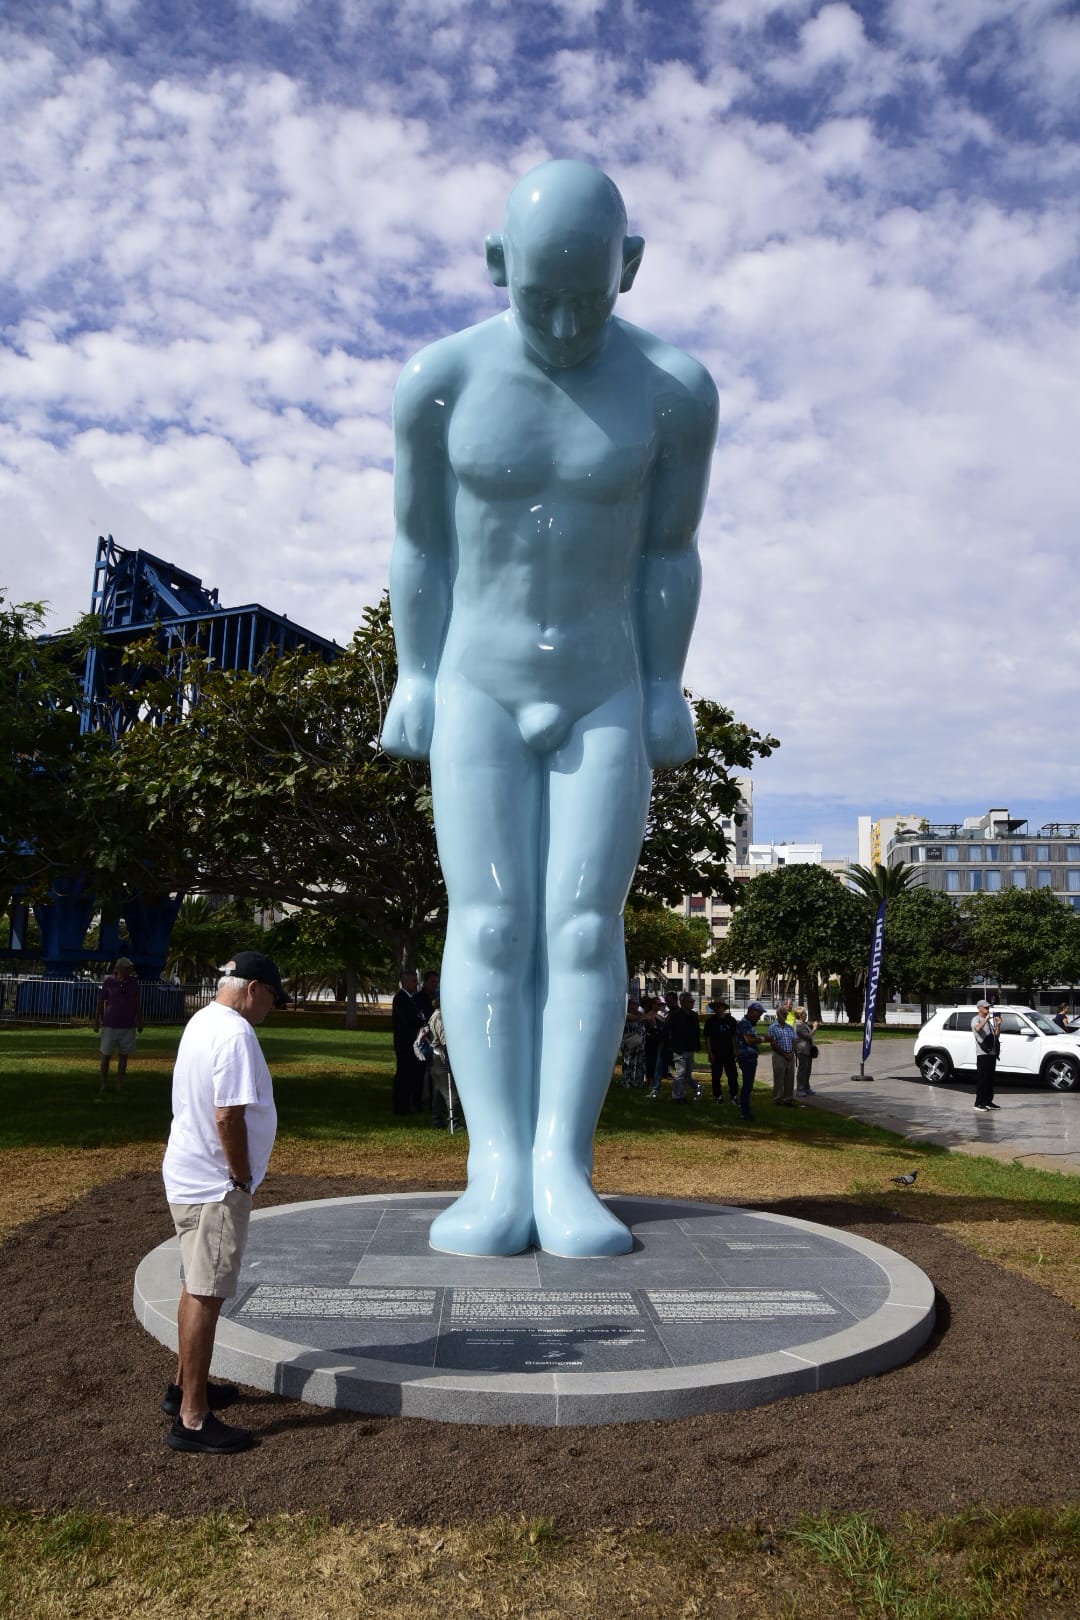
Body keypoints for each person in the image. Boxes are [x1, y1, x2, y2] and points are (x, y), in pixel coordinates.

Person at [383, 159, 718, 1256]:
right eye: (541, 296)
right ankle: (492, 1168)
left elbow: (669, 550)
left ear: (629, 266)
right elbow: (422, 543)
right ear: (497, 267)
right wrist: (417, 675)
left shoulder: (674, 390)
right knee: (488, 918)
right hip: (478, 679)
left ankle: (562, 1167)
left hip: (601, 682)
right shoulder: (439, 381)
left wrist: (666, 683)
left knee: (581, 926)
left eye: (592, 294)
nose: (569, 322)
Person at [160, 950, 286, 1454]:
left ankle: (184, 1386)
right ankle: (193, 1418)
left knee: (194, 1285)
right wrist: (241, 1176)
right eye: (273, 997)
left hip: (188, 1173)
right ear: (253, 988)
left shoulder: (202, 1020)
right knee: (207, 1294)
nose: (271, 1009)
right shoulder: (235, 1033)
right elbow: (228, 1116)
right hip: (215, 1185)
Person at [93, 955, 142, 1096]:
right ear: (119, 968)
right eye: (126, 968)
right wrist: (97, 1021)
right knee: (106, 1055)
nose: (129, 970)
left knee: (123, 1057)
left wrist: (139, 1021)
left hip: (127, 1025)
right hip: (110, 1024)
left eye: (130, 968)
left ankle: (119, 1084)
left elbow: (136, 1003)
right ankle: (103, 1084)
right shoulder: (109, 981)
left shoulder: (133, 982)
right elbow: (101, 1002)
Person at [391, 969, 426, 1115]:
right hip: (405, 1044)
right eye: (413, 981)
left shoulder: (413, 999)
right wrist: (420, 1022)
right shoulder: (400, 999)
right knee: (403, 1075)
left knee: (414, 1075)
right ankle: (401, 1107)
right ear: (404, 982)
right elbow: (408, 1020)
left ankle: (412, 1104)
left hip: (414, 1044)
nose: (416, 983)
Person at [704, 998, 739, 1104]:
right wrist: (710, 1053)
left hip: (728, 1052)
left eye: (719, 1007)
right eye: (715, 1007)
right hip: (716, 1053)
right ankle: (718, 1096)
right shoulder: (710, 1022)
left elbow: (734, 1037)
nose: (717, 1009)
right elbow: (708, 1038)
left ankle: (733, 1096)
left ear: (724, 1008)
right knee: (716, 1076)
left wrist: (736, 1050)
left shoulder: (731, 1020)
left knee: (732, 1075)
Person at [670, 991, 702, 1102]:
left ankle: (690, 1090)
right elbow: (668, 1031)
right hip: (679, 1048)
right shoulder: (675, 1015)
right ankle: (677, 1096)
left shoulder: (693, 1015)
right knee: (680, 1072)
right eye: (690, 1001)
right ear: (682, 1002)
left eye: (693, 1001)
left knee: (687, 1074)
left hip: (690, 1048)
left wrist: (697, 1045)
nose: (692, 1003)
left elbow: (696, 1031)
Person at [735, 1003, 766, 1121]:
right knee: (747, 1086)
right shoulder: (745, 1023)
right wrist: (762, 1039)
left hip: (749, 1057)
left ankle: (746, 1111)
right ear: (752, 1012)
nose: (759, 1017)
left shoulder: (748, 1024)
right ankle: (745, 1112)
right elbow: (748, 1040)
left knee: (748, 1086)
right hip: (747, 1057)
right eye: (759, 1014)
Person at [971, 1000, 1002, 1113]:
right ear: (979, 1008)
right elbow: (977, 1028)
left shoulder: (989, 1021)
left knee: (990, 1079)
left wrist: (998, 1024)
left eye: (988, 1008)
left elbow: (996, 1035)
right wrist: (986, 1019)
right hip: (982, 1053)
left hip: (992, 1053)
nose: (988, 1009)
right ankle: (978, 1103)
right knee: (982, 1079)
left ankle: (988, 1101)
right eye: (985, 1008)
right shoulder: (976, 1019)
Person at [768, 998, 797, 1105]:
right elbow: (773, 1043)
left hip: (790, 1055)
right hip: (779, 1056)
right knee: (779, 1078)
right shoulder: (773, 1027)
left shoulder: (789, 1028)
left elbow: (794, 1041)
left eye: (786, 1014)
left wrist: (792, 1052)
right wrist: (784, 1054)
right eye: (783, 1014)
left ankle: (788, 1099)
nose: (785, 1016)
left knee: (790, 1078)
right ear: (778, 1014)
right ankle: (778, 1099)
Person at [619, 1002, 647, 1089]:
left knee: (639, 1063)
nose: (635, 1006)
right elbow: (630, 1017)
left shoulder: (639, 1015)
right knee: (628, 1063)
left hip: (640, 1044)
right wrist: (639, 1017)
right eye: (633, 1004)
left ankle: (637, 1082)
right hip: (629, 1044)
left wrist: (641, 1016)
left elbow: (646, 1018)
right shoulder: (625, 1015)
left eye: (636, 1005)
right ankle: (626, 1081)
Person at [793, 1006, 820, 1097]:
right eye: (804, 1013)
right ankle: (800, 1089)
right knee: (802, 1070)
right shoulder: (799, 1025)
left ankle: (806, 1088)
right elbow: (807, 1036)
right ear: (800, 1015)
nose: (806, 1014)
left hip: (808, 1051)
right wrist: (815, 1028)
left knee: (808, 1070)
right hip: (802, 1050)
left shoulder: (804, 1024)